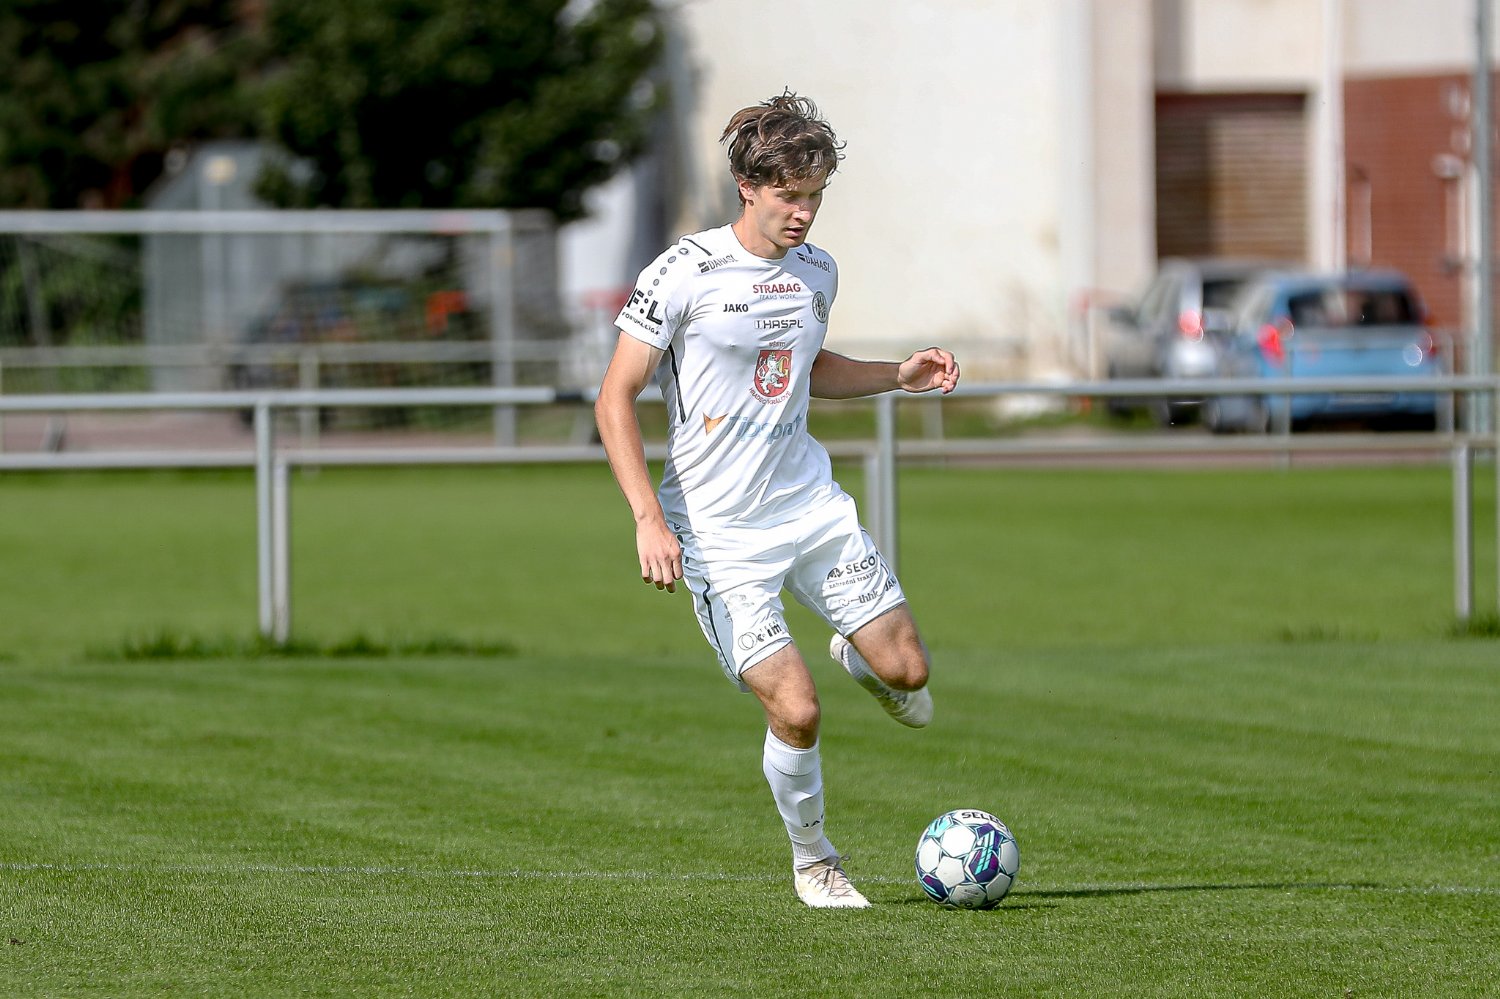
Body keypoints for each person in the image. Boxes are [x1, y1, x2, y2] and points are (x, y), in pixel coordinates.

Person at [594, 91, 959, 909]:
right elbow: (613, 397)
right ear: (747, 187)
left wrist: (895, 375)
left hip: (809, 508)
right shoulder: (683, 272)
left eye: (815, 196)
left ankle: (860, 654)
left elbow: (807, 363)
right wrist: (648, 518)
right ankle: (815, 861)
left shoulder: (817, 270)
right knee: (796, 709)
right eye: (790, 196)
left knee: (910, 673)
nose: (804, 213)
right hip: (719, 535)